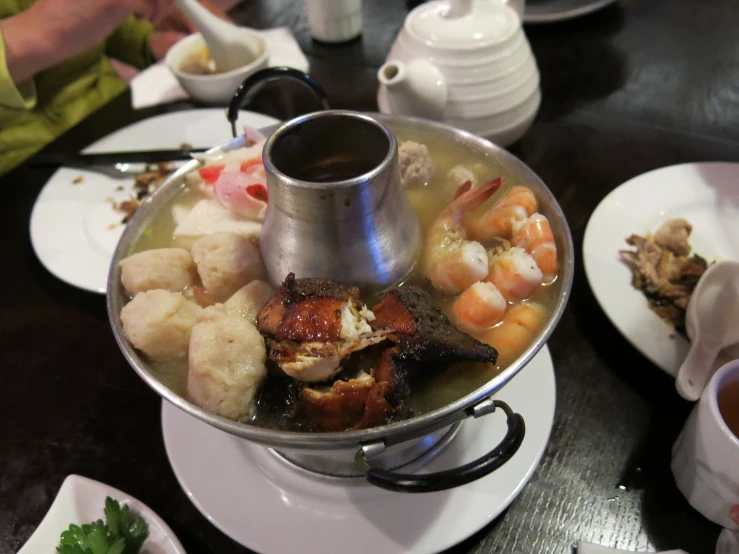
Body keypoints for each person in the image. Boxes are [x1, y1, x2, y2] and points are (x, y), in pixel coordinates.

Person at [0, 0, 226, 175]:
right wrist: (39, 35)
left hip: (114, 122)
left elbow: (91, 27)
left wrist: (146, 41)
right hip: (17, 170)